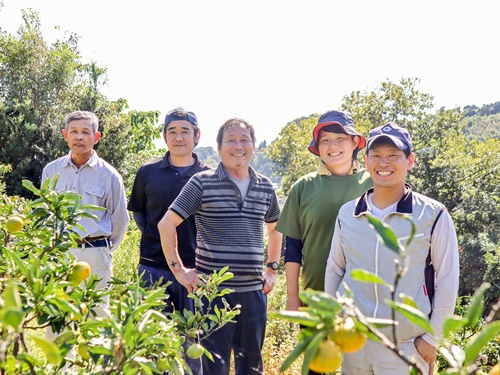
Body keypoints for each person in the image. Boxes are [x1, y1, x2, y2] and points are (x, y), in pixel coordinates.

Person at [325, 122, 460, 374]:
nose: (383, 163)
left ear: (410, 161)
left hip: (408, 348)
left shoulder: (432, 215)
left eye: (393, 155)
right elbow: (335, 269)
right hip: (355, 346)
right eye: (376, 156)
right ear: (366, 161)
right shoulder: (347, 213)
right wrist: (334, 322)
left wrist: (432, 340)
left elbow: (447, 280)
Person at [158, 117, 282, 375]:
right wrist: (180, 271)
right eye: (231, 140)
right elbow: (166, 225)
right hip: (213, 294)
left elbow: (276, 229)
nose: (238, 146)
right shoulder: (202, 183)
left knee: (252, 368)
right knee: (215, 368)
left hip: (253, 293)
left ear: (254, 146)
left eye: (244, 140)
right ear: (219, 147)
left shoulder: (265, 187)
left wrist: (272, 269)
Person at [127, 107, 210, 374]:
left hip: (198, 272)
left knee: (195, 344)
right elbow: (141, 215)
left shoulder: (210, 176)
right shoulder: (147, 172)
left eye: (185, 131)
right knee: (152, 344)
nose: (178, 137)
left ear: (197, 136)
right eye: (172, 131)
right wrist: (161, 240)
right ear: (164, 136)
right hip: (152, 269)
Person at [275, 110, 372, 313]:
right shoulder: (303, 187)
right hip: (315, 298)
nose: (333, 146)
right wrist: (293, 297)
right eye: (325, 140)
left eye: (340, 138)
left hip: (366, 298)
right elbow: (292, 249)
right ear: (318, 147)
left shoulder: (373, 184)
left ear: (355, 143)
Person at [42, 110, 129, 315]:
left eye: (85, 132)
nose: (79, 137)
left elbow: (120, 221)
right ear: (65, 135)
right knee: (58, 314)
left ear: (96, 137)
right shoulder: (51, 171)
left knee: (97, 315)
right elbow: (46, 213)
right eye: (73, 131)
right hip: (61, 252)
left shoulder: (109, 175)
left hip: (95, 252)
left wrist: (102, 248)